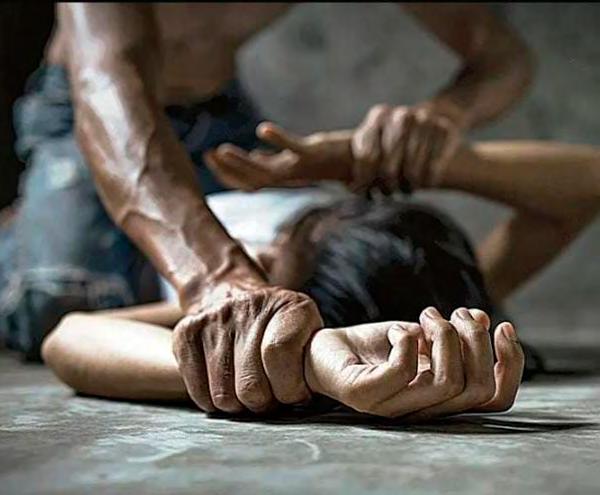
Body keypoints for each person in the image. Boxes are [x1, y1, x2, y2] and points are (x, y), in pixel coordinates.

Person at [0, 4, 534, 414]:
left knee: (69, 299)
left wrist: (445, 116)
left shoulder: (332, 275)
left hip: (219, 110)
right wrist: (220, 282)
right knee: (53, 294)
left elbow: (502, 57)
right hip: (96, 103)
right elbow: (106, 77)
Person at [42, 135, 600, 420]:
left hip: (111, 247)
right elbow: (588, 183)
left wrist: (297, 360)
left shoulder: (256, 321)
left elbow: (68, 336)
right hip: (222, 155)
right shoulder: (437, 285)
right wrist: (391, 157)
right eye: (289, 234)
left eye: (270, 267)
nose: (251, 258)